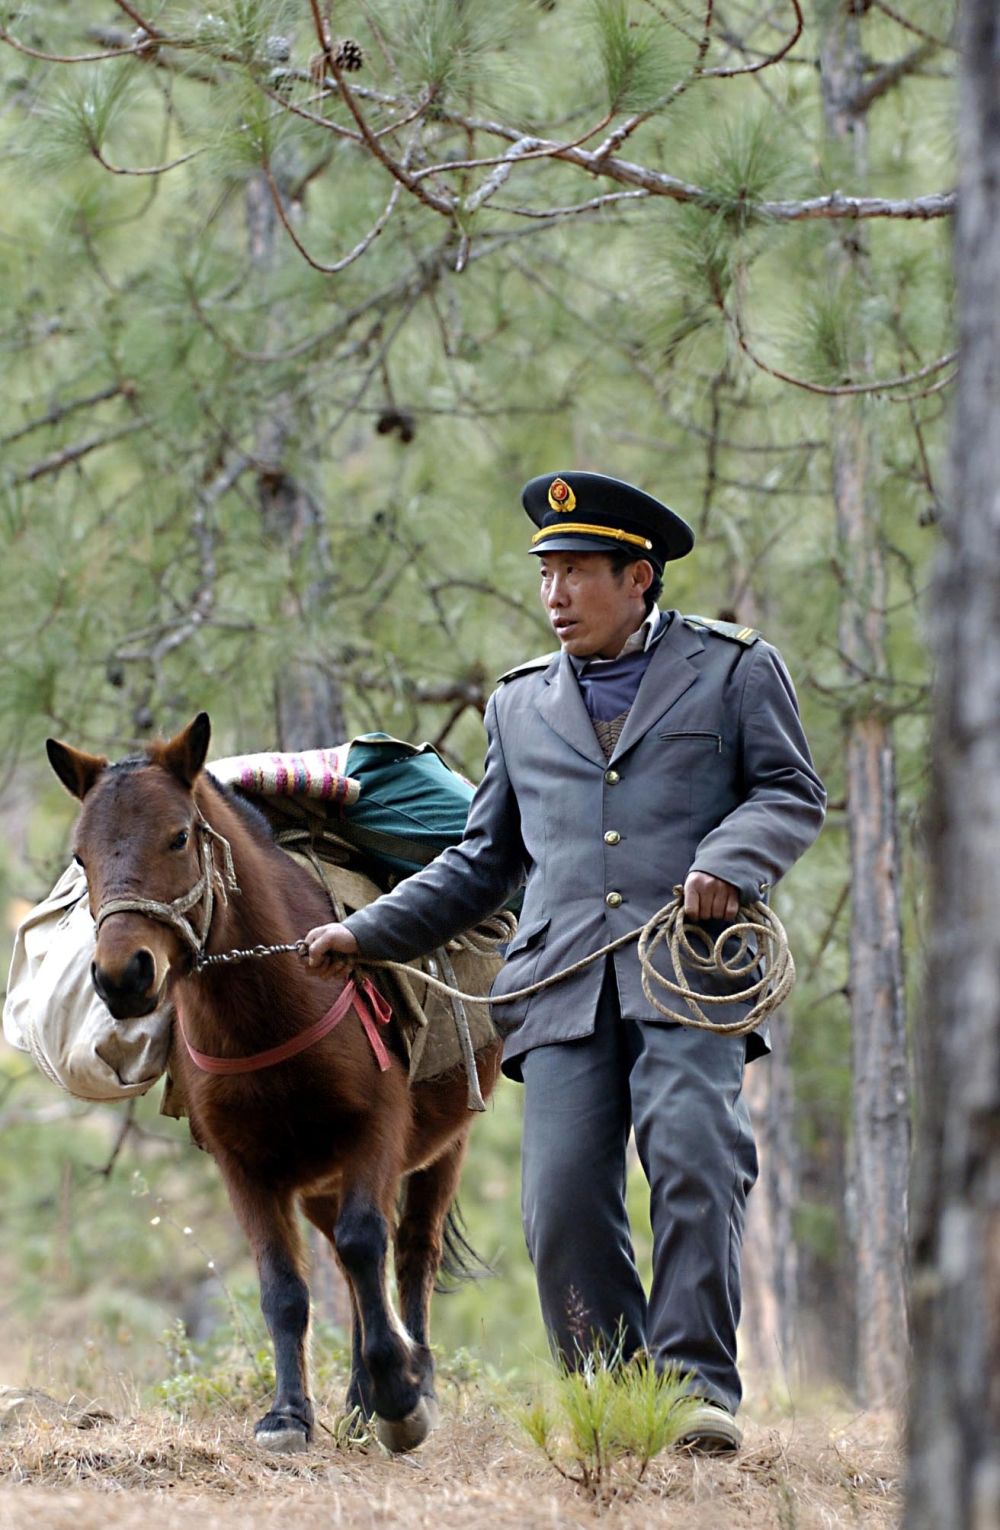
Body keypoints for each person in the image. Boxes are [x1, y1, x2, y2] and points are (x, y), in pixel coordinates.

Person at [301, 471, 825, 1452]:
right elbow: (481, 861)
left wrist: (728, 861)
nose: (553, 595)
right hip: (558, 992)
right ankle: (614, 1405)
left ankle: (693, 1391)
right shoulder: (518, 705)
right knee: (560, 1209)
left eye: (576, 572)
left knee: (697, 1166)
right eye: (545, 573)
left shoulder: (735, 670)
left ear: (639, 577)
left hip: (687, 974)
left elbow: (790, 793)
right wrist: (364, 935)